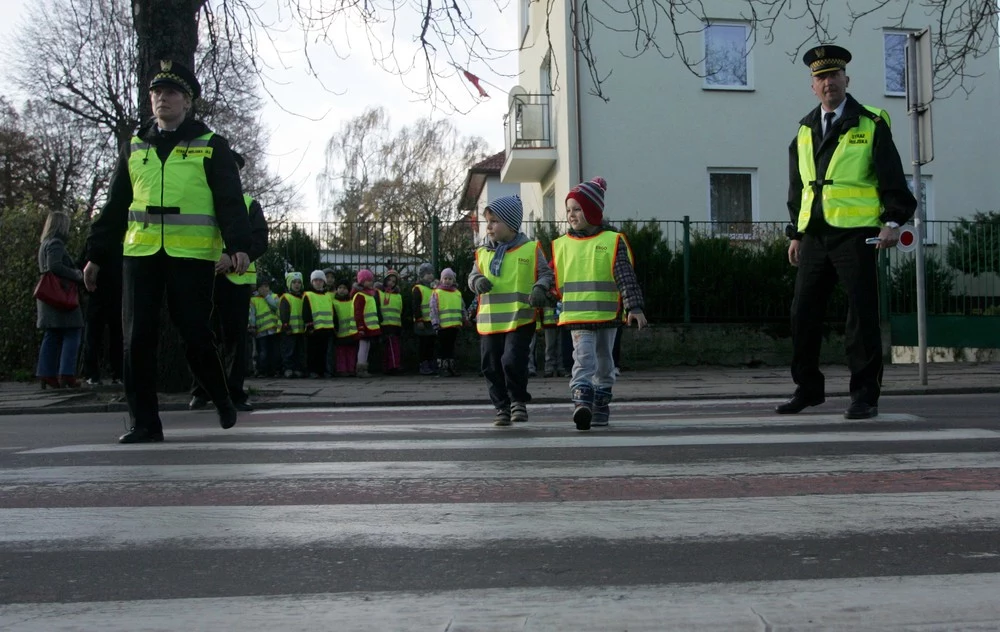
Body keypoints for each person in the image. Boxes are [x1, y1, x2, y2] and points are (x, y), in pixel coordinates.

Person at [84, 60, 251, 443]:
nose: (163, 99)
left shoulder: (211, 145)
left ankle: (221, 395)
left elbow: (229, 200)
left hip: (188, 256)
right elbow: (114, 207)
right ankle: (145, 422)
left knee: (195, 333)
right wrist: (94, 254)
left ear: (187, 102)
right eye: (157, 93)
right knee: (136, 338)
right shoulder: (135, 146)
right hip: (140, 254)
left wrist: (238, 245)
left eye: (172, 93)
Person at [780, 45, 917, 420]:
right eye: (821, 78)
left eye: (834, 75)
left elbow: (892, 177)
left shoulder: (870, 122)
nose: (828, 83)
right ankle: (807, 388)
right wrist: (795, 232)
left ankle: (864, 396)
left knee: (861, 315)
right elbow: (799, 187)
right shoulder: (804, 129)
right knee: (802, 313)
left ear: (846, 80)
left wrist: (892, 221)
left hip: (856, 234)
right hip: (814, 235)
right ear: (813, 86)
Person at [551, 177, 647, 431]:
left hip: (607, 316)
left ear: (593, 210)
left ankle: (601, 405)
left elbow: (625, 276)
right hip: (578, 316)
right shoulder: (562, 245)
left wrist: (634, 307)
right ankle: (582, 402)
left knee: (605, 361)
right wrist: (542, 290)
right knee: (583, 358)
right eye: (569, 209)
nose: (571, 214)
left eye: (578, 209)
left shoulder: (612, 241)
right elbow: (552, 275)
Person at [189, 151, 269, 410]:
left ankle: (234, 393)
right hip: (203, 278)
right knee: (201, 336)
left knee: (235, 339)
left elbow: (259, 241)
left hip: (236, 279)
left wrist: (231, 257)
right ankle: (201, 390)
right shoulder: (199, 201)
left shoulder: (248, 204)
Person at [469, 195, 554, 426]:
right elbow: (472, 276)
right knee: (490, 365)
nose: (489, 227)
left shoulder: (530, 248)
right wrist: (476, 282)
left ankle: (517, 401)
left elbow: (546, 274)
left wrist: (539, 287)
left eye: (494, 221)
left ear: (511, 224)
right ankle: (501, 407)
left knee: (511, 360)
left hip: (519, 319)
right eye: (488, 222)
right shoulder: (482, 253)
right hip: (489, 322)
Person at [36, 211, 85, 390]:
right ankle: (66, 374)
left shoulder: (44, 244)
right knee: (73, 332)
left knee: (52, 334)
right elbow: (55, 266)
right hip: (61, 295)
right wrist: (77, 274)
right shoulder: (56, 243)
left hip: (48, 295)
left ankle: (46, 373)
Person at [80, 240, 122, 387]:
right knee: (115, 335)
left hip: (97, 293)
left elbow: (82, 264)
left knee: (94, 336)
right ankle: (117, 373)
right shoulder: (119, 241)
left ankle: (92, 374)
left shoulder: (93, 242)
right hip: (113, 293)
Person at [430, 268, 468, 376]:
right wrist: (435, 323)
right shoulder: (437, 292)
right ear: (441, 279)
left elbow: (462, 307)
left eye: (450, 278)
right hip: (442, 326)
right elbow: (433, 309)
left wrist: (464, 318)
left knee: (451, 347)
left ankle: (451, 367)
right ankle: (443, 367)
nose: (447, 280)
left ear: (453, 280)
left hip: (455, 325)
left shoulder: (457, 293)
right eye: (445, 278)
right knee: (443, 347)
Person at [302, 269, 336, 377]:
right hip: (314, 329)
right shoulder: (308, 295)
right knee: (313, 351)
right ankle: (313, 371)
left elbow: (332, 310)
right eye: (315, 280)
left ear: (324, 282)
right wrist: (309, 324)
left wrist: (335, 323)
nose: (318, 282)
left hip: (327, 328)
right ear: (312, 282)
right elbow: (306, 310)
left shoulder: (327, 295)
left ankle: (322, 371)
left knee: (324, 351)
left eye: (320, 280)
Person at [352, 269, 382, 377]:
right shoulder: (360, 295)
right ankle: (361, 368)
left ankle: (363, 367)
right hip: (364, 326)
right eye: (367, 280)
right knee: (363, 347)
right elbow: (358, 312)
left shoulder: (370, 294)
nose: (370, 282)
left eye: (371, 280)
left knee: (366, 347)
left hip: (370, 326)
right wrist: (360, 327)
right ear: (362, 281)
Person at [249, 276, 281, 377]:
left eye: (266, 286)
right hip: (261, 331)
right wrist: (252, 326)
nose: (264, 289)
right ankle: (262, 370)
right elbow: (252, 314)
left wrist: (267, 296)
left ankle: (274, 370)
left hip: (273, 329)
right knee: (263, 352)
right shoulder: (254, 300)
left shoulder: (274, 296)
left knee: (274, 351)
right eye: (262, 287)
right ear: (258, 289)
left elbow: (275, 306)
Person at [279, 271, 308, 377]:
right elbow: (284, 313)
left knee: (299, 351)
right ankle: (288, 368)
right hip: (289, 330)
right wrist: (286, 325)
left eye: (299, 282)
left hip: (300, 330)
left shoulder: (303, 297)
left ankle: (297, 368)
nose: (297, 285)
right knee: (288, 350)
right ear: (289, 284)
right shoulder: (286, 297)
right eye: (294, 282)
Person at [411, 262, 437, 375]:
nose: (430, 276)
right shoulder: (418, 289)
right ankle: (423, 364)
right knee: (423, 344)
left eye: (431, 273)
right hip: (423, 322)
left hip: (432, 321)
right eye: (427, 274)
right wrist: (418, 319)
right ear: (421, 276)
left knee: (431, 344)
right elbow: (415, 306)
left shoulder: (433, 288)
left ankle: (430, 362)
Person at [330, 278, 359, 376]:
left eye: (345, 288)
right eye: (340, 287)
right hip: (339, 332)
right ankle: (342, 370)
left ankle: (351, 369)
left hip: (351, 332)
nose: (342, 290)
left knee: (351, 352)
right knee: (340, 353)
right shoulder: (334, 302)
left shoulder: (352, 302)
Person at [378, 269, 404, 374]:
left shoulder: (398, 295)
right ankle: (391, 366)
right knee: (388, 347)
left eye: (394, 281)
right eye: (389, 280)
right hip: (384, 324)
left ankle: (393, 365)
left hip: (395, 324)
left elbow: (400, 309)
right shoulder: (379, 293)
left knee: (394, 346)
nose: (391, 283)